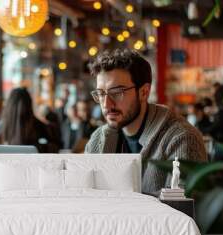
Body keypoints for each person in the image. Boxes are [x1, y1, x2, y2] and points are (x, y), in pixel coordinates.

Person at [85, 49, 207, 194]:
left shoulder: (182, 139)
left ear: (144, 92)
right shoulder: (98, 139)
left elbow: (185, 211)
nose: (106, 104)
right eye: (101, 93)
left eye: (117, 93)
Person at [0, 87, 58, 153]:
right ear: (29, 105)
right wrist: (36, 148)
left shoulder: (1, 127)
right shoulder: (37, 125)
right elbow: (54, 147)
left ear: (9, 105)